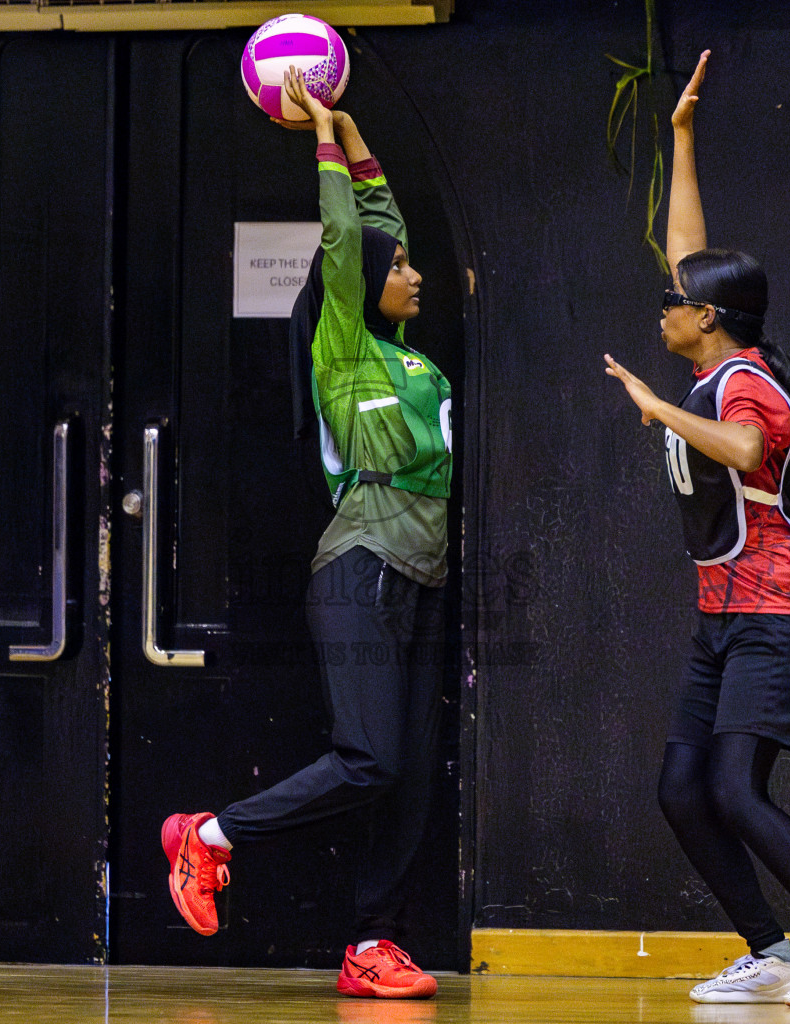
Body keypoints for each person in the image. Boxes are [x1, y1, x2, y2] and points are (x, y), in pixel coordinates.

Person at [603, 51, 790, 1009]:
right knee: (683, 791)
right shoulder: (720, 351)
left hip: (780, 610)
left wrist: (656, 408)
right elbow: (688, 246)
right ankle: (771, 952)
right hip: (722, 614)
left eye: (674, 301)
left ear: (709, 320)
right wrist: (682, 137)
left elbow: (737, 448)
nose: (664, 303)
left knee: (734, 789)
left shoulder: (746, 386)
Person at [161, 67, 450, 1000]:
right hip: (358, 567)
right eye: (397, 268)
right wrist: (322, 142)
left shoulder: (407, 356)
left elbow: (377, 228)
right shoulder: (344, 343)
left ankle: (375, 944)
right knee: (366, 756)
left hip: (418, 578)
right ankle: (207, 838)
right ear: (361, 290)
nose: (411, 271)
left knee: (400, 778)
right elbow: (346, 245)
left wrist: (361, 142)